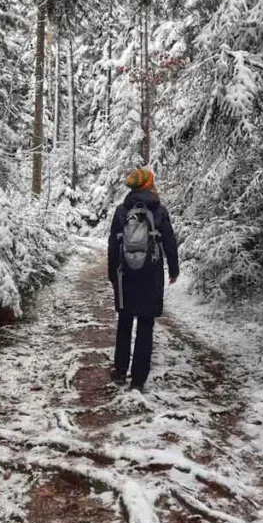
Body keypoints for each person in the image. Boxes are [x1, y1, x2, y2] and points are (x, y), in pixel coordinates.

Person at [107, 167, 179, 392]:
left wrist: (112, 275)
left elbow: (112, 245)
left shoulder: (121, 210)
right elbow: (169, 243)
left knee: (125, 323)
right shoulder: (159, 210)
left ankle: (120, 372)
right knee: (146, 325)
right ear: (148, 184)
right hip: (151, 275)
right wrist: (174, 270)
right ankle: (138, 379)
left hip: (125, 275)